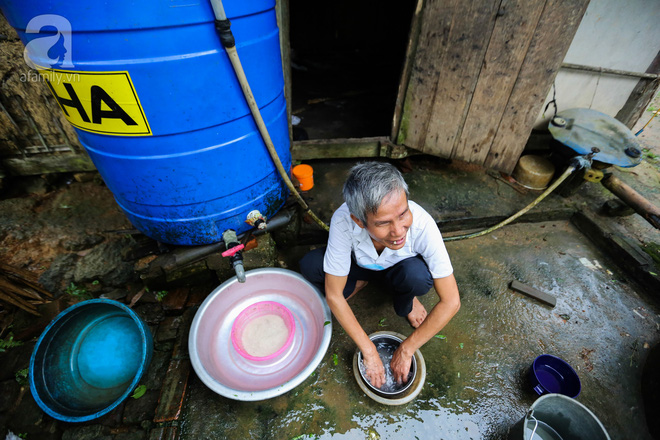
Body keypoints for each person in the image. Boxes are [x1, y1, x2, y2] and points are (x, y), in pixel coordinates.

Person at [299, 161, 460, 388]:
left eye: (403, 214)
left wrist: (407, 349)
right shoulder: (344, 219)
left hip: (399, 269)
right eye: (383, 223)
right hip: (360, 264)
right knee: (310, 266)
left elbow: (451, 301)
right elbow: (334, 296)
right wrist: (369, 350)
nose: (398, 231)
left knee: (417, 277)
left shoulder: (422, 225)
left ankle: (407, 300)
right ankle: (361, 282)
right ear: (359, 221)